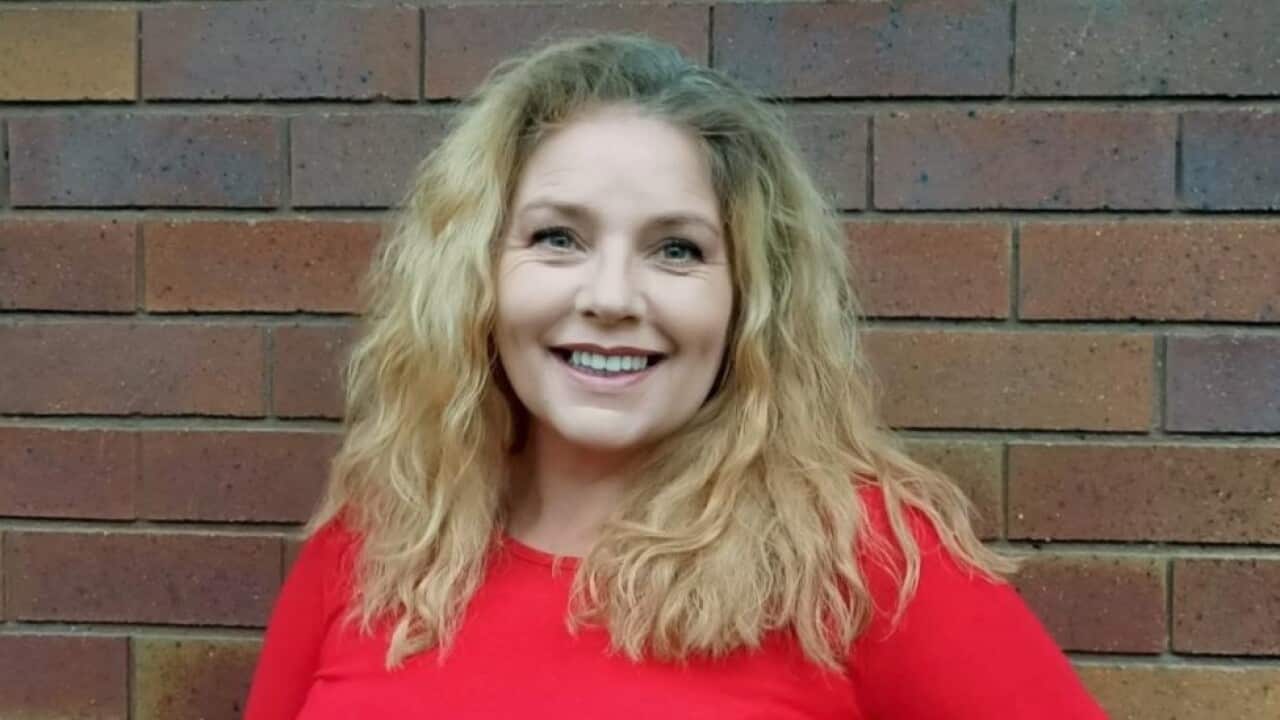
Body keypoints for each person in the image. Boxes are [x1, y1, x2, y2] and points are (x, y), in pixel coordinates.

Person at [244, 32, 1109, 719]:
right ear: (477, 274)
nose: (612, 296)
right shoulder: (378, 543)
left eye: (677, 250)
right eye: (558, 238)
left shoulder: (858, 562)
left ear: (747, 298)